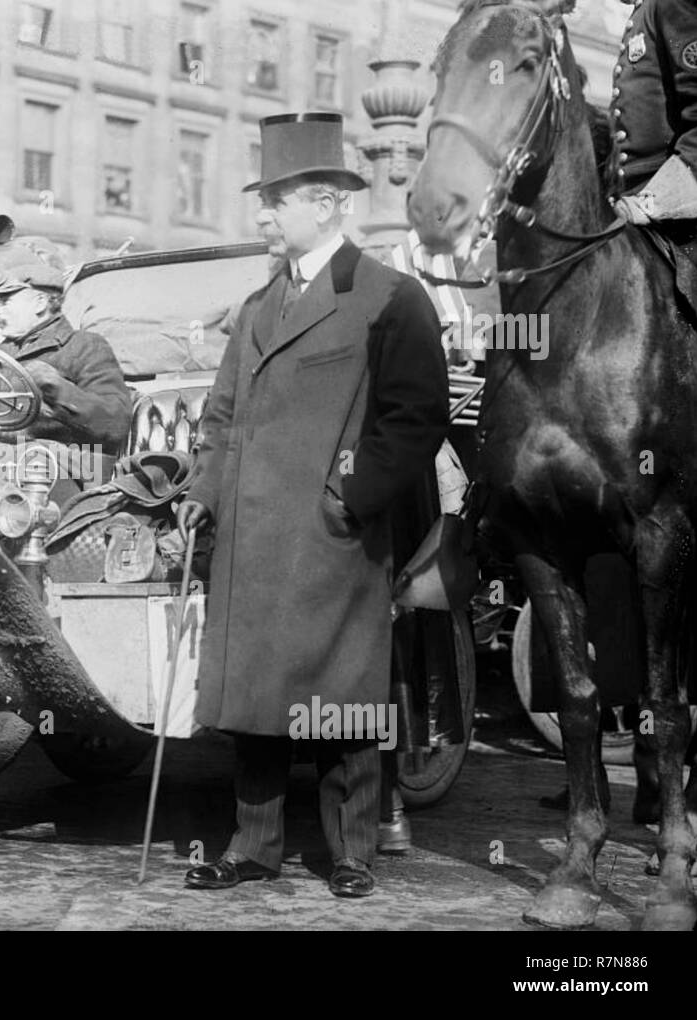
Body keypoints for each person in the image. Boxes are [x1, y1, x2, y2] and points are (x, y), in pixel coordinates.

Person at [177, 113, 449, 898]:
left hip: (334, 537)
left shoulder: (389, 296)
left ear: (329, 203)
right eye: (264, 199)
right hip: (250, 539)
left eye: (277, 199)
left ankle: (352, 852)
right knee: (254, 697)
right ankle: (253, 847)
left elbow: (414, 415)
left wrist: (348, 494)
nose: (263, 214)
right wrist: (202, 493)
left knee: (341, 698)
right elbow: (221, 415)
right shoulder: (260, 304)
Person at [0, 263, 131, 495]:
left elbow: (115, 422)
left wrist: (57, 388)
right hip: (0, 465)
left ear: (40, 303)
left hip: (60, 473)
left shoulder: (84, 347)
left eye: (5, 302)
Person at [609, 0, 697, 224]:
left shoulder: (672, 4)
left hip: (670, 211)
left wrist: (655, 201)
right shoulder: (645, 9)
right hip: (630, 196)